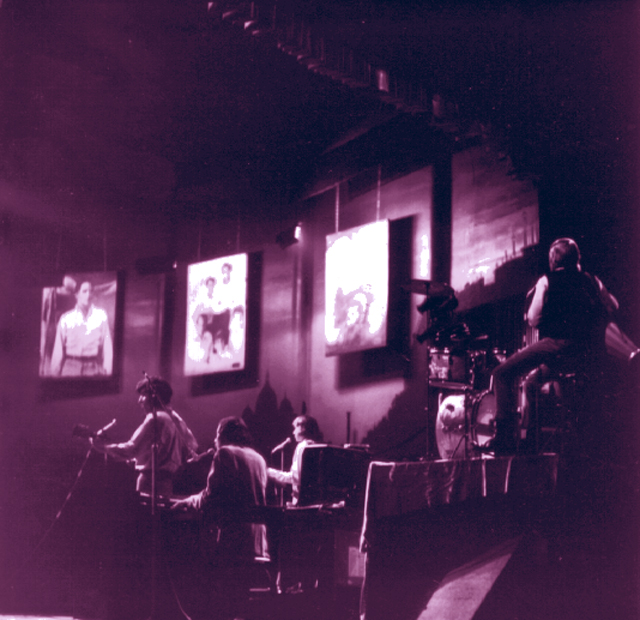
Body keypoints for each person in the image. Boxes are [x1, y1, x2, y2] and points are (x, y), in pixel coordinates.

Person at [487, 237, 619, 455]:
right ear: (576, 258)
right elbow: (613, 305)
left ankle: (505, 441)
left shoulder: (546, 280)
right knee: (531, 383)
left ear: (553, 259)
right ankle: (533, 440)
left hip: (558, 346)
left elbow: (533, 319)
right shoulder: (592, 280)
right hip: (586, 353)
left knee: (502, 373)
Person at [171, 417, 270, 619]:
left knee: (189, 566)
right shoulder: (258, 458)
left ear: (222, 435)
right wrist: (193, 498)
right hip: (258, 543)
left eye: (217, 434)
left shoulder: (224, 454)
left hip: (234, 544)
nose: (215, 439)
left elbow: (211, 497)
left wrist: (187, 502)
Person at [91, 376, 198, 497]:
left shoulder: (154, 419)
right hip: (167, 484)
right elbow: (192, 445)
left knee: (146, 514)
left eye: (143, 395)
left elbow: (131, 449)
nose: (139, 400)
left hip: (149, 483)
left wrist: (103, 446)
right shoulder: (174, 418)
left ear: (154, 396)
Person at [50, 280, 114, 376]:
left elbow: (107, 347)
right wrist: (54, 374)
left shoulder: (101, 316)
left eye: (90, 291)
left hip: (93, 368)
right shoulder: (66, 318)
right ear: (77, 295)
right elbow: (58, 349)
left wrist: (107, 371)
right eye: (84, 291)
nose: (88, 295)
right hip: (70, 367)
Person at [268, 414, 324, 506]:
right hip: (314, 500)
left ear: (302, 428)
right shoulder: (315, 445)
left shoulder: (302, 446)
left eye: (295, 428)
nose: (293, 432)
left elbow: (295, 478)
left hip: (301, 501)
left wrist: (270, 472)